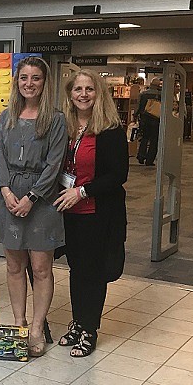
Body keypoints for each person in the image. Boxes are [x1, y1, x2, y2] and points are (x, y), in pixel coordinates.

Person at [0, 56, 66, 357]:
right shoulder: (6, 117)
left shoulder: (56, 119)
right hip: (10, 197)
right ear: (17, 82)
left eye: (36, 78)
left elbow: (55, 164)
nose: (29, 83)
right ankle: (19, 323)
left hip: (42, 200)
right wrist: (6, 191)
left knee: (40, 267)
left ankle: (37, 328)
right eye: (24, 78)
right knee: (13, 265)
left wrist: (32, 197)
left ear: (44, 83)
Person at [54, 69, 128, 357]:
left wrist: (81, 192)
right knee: (77, 268)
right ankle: (77, 322)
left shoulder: (110, 130)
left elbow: (118, 175)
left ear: (99, 94)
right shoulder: (66, 128)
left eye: (89, 89)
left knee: (93, 272)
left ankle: (89, 329)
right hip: (69, 212)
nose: (83, 94)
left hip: (97, 211)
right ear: (70, 95)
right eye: (77, 89)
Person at [134, 77, 162, 165]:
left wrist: (135, 115)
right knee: (154, 140)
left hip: (144, 118)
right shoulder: (161, 95)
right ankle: (150, 160)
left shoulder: (143, 94)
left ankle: (141, 156)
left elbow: (138, 107)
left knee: (144, 137)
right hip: (156, 119)